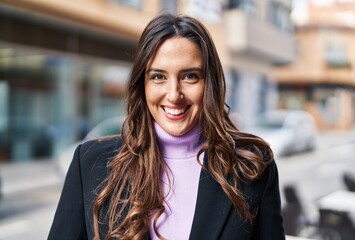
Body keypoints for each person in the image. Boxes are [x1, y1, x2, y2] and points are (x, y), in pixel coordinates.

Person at [48, 13, 285, 240]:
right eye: (158, 77)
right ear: (142, 84)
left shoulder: (252, 168)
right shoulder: (90, 162)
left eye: (190, 76)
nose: (173, 95)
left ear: (209, 83)